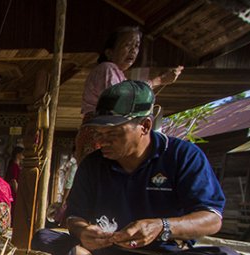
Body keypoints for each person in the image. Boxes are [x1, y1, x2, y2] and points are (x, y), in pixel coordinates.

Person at [32, 81, 245, 255]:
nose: (101, 141)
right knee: (43, 238)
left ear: (144, 126)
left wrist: (162, 226)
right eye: (98, 133)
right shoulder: (93, 164)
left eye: (112, 133)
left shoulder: (184, 156)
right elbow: (75, 216)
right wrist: (83, 231)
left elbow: (211, 219)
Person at [75, 26, 183, 163]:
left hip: (100, 130)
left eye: (136, 46)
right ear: (109, 52)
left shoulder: (117, 74)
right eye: (127, 45)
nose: (133, 50)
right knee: (98, 174)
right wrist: (159, 80)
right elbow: (121, 100)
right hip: (98, 130)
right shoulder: (107, 68)